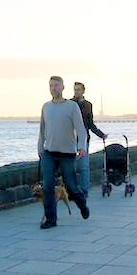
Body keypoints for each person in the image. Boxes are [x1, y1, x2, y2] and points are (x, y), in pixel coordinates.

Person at [38, 75, 90, 229]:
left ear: (62, 87)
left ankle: (82, 204)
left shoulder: (71, 107)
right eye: (51, 86)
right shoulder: (46, 107)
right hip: (49, 153)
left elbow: (81, 129)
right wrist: (40, 149)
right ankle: (51, 220)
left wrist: (82, 147)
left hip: (67, 153)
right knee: (47, 186)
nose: (53, 88)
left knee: (71, 186)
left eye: (56, 85)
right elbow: (42, 130)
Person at [71, 81, 107, 199]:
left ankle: (84, 191)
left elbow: (90, 124)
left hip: (83, 139)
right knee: (70, 167)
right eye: (75, 89)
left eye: (78, 90)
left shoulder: (88, 105)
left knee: (83, 167)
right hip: (70, 139)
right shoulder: (69, 104)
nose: (76, 92)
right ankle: (72, 191)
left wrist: (101, 134)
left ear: (83, 91)